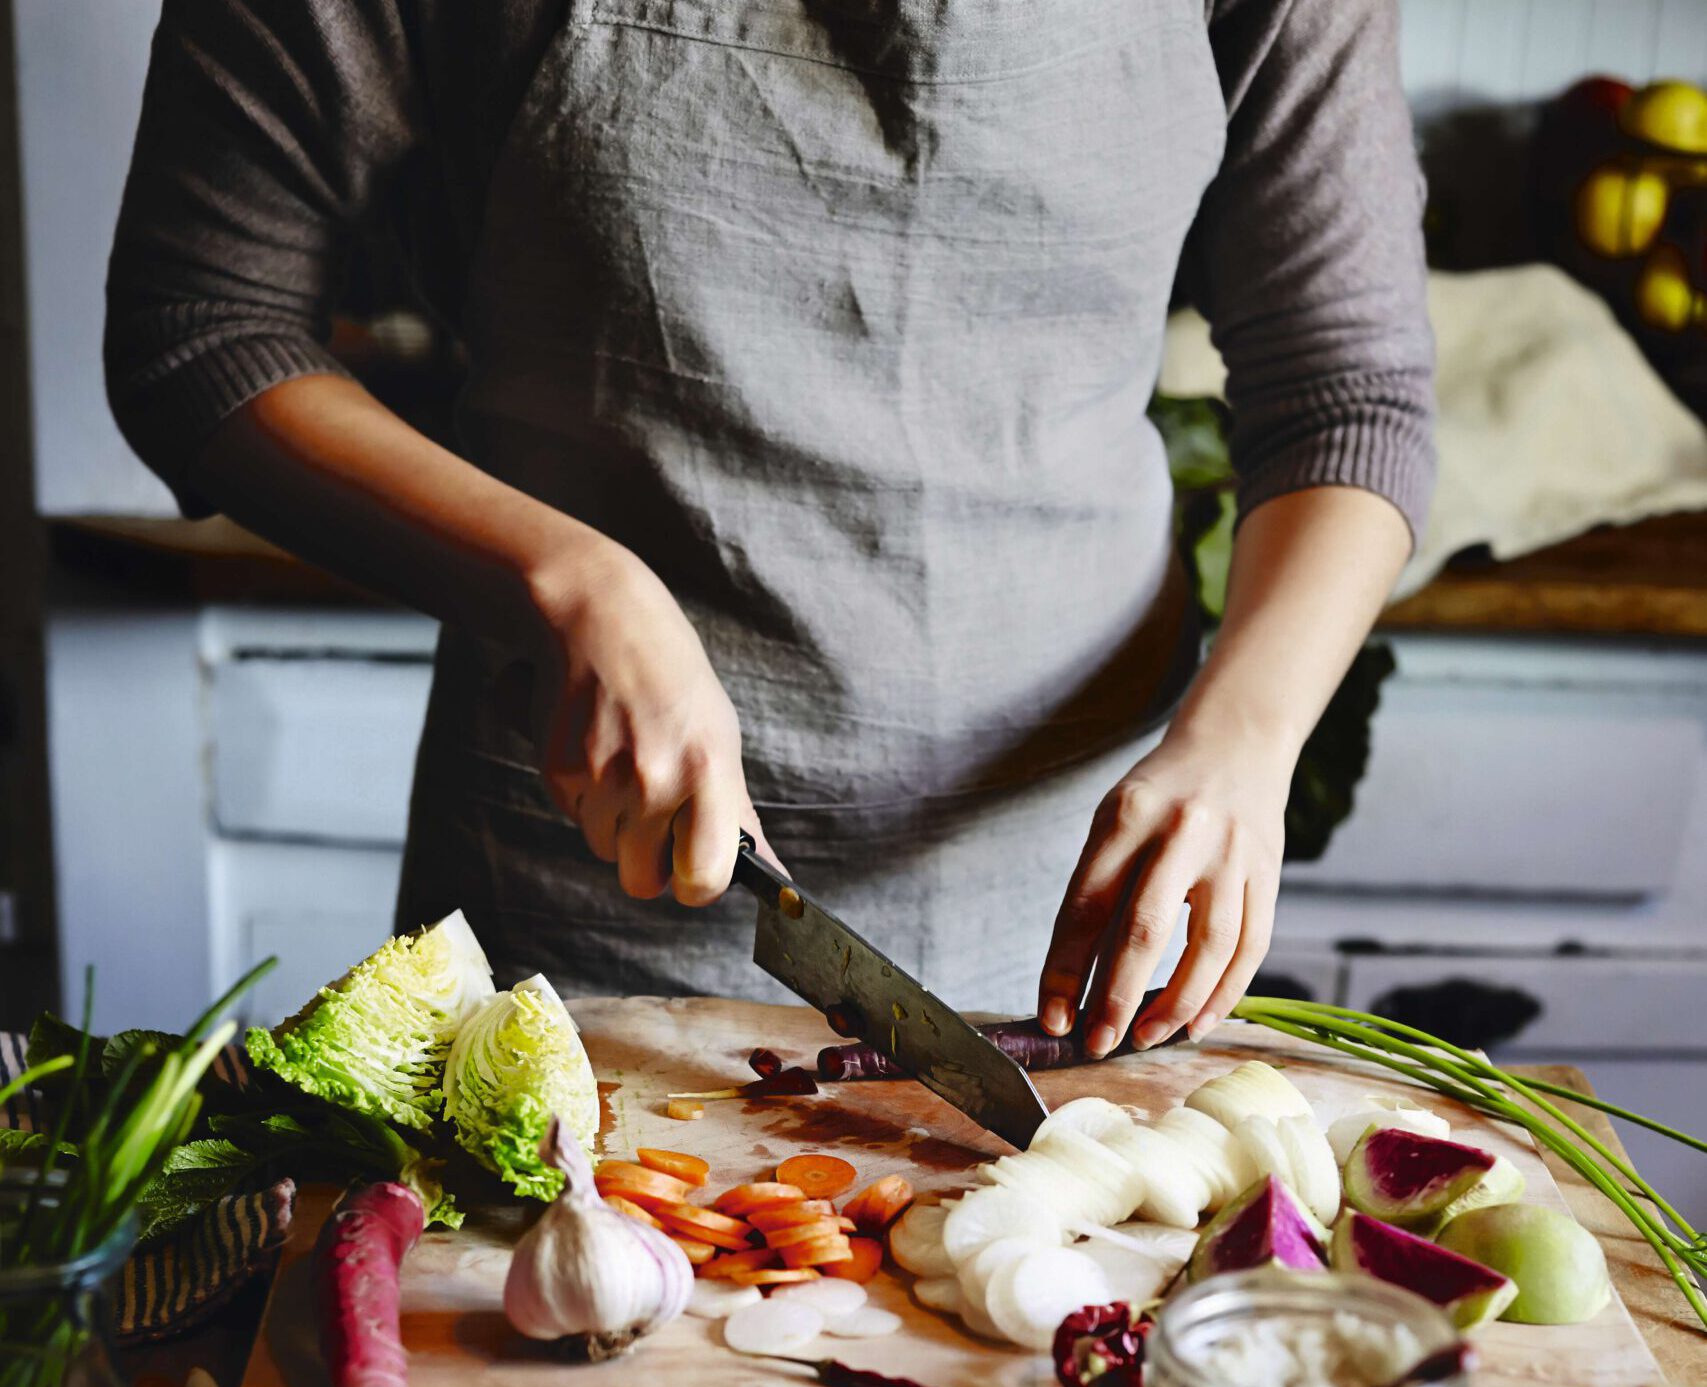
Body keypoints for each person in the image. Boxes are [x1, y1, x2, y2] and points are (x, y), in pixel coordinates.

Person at [106, 0, 1432, 1059]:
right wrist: (563, 585)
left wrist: (1245, 740)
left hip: (1084, 909)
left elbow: (1346, 399)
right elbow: (198, 328)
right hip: (586, 910)